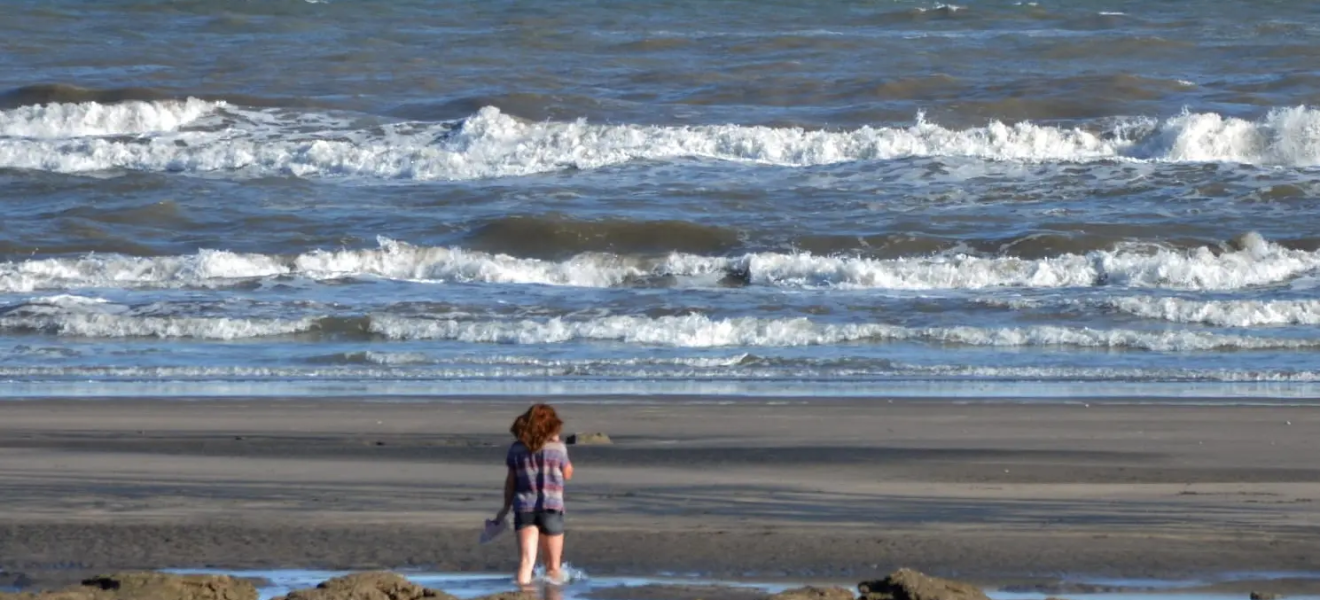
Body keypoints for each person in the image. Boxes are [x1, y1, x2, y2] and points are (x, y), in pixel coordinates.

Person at [495, 403, 574, 585]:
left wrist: (505, 507)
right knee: (553, 567)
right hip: (551, 507)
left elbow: (510, 482)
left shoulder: (516, 449)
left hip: (524, 507)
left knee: (526, 563)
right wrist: (555, 440)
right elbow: (568, 473)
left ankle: (521, 595)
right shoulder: (558, 448)